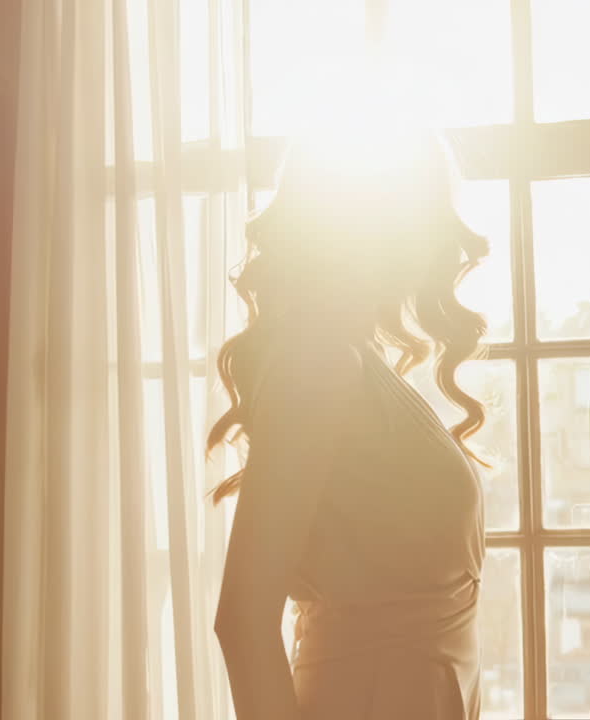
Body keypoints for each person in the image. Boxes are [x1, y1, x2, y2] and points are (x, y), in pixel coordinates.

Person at [208, 121, 491, 720]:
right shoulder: (322, 361)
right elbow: (242, 620)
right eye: (424, 213)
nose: (437, 237)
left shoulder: (358, 360)